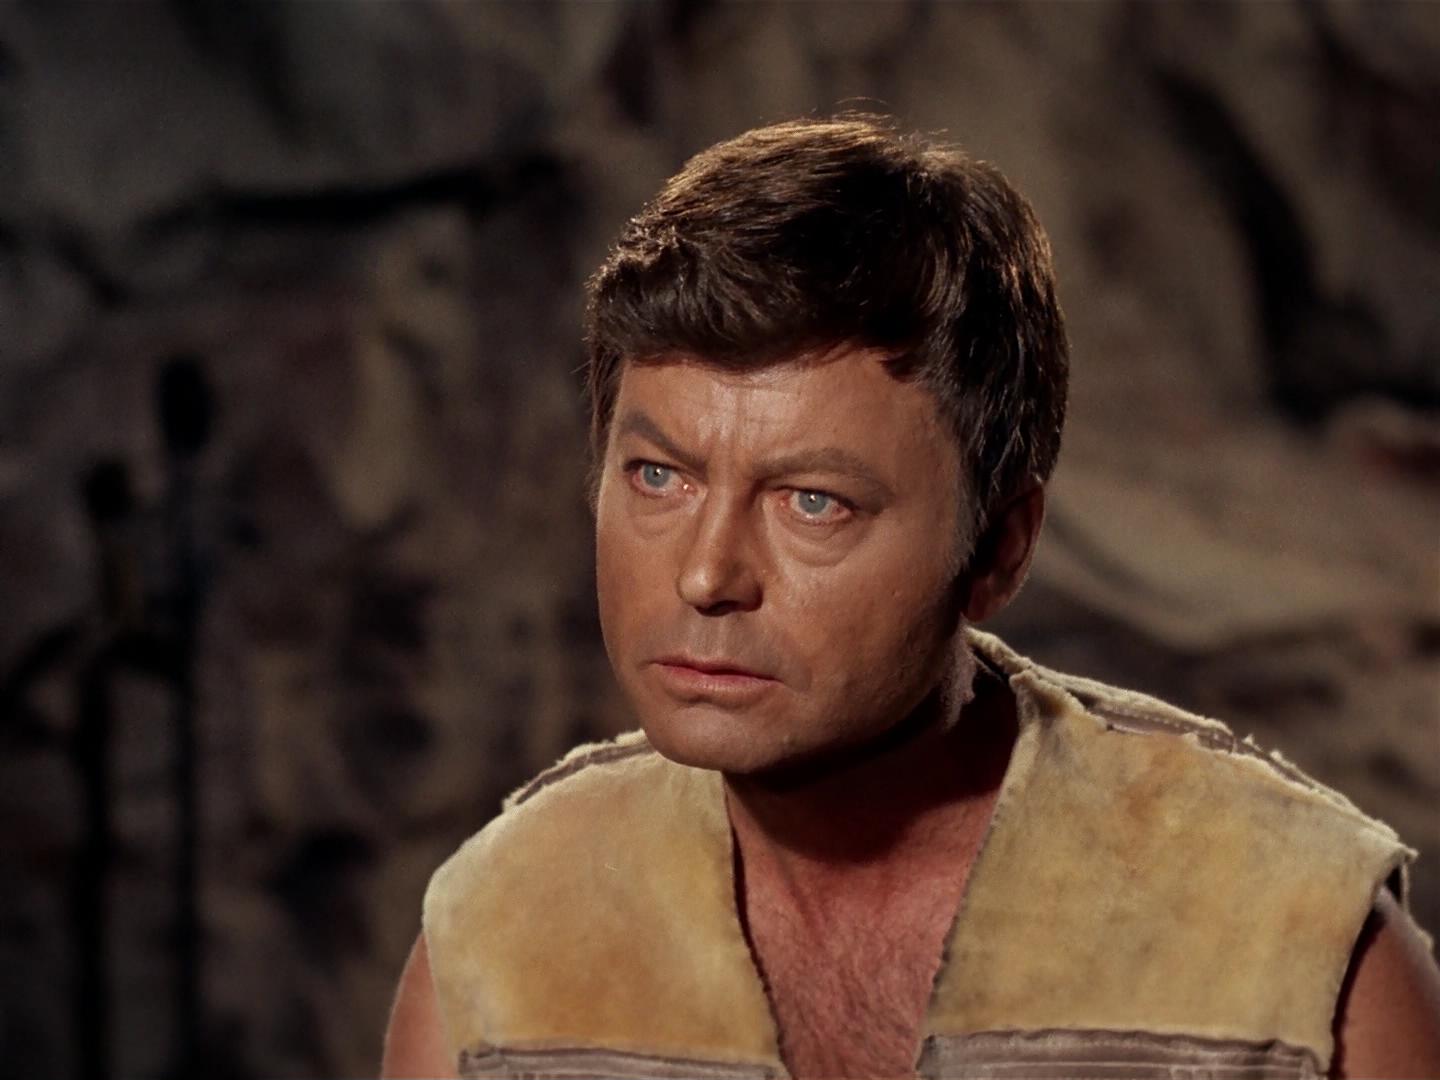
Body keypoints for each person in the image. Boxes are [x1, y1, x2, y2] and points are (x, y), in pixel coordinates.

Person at [382, 115, 1440, 1080]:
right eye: (660, 477)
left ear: (999, 548)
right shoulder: (499, 942)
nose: (705, 576)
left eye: (813, 502)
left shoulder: (1297, 949)